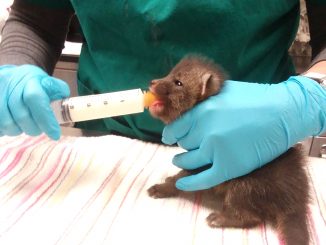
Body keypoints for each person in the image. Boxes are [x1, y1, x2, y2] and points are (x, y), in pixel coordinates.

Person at [0, 0, 325, 191]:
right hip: (105, 154)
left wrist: (308, 99)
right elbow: (34, 19)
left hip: (257, 153)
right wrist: (13, 69)